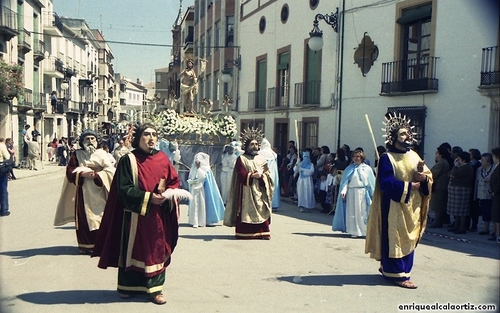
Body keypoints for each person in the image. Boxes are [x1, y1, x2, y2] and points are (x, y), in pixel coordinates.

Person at [92, 123, 184, 305]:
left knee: (156, 250)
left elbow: (174, 181)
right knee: (132, 251)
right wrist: (149, 198)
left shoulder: (163, 159)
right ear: (138, 138)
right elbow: (123, 189)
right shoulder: (129, 160)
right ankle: (127, 286)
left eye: (154, 135)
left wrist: (167, 196)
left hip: (158, 216)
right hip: (135, 215)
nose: (151, 138)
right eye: (146, 134)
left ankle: (155, 289)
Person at [365, 113, 432, 289]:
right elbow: (385, 183)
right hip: (395, 205)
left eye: (408, 133)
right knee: (395, 239)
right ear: (393, 137)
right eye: (403, 133)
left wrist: (423, 179)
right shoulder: (388, 158)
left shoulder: (415, 156)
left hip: (413, 207)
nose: (407, 136)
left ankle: (392, 268)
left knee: (409, 239)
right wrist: (410, 186)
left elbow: (428, 177)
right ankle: (398, 274)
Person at [54, 129, 115, 254]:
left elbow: (111, 171)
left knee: (102, 218)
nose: (90, 141)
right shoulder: (77, 155)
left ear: (97, 140)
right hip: (84, 192)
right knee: (85, 218)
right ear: (82, 141)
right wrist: (82, 173)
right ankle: (86, 245)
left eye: (92, 139)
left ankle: (102, 245)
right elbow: (70, 171)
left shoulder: (102, 154)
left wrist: (98, 175)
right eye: (87, 139)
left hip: (101, 190)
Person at [223, 128, 274, 239]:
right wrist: (251, 176)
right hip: (246, 190)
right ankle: (245, 232)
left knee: (262, 208)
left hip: (259, 189)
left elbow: (268, 174)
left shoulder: (261, 159)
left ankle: (262, 232)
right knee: (246, 211)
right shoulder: (242, 159)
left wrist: (262, 176)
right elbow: (240, 174)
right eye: (252, 144)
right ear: (247, 146)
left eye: (256, 144)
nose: (255, 146)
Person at [332, 149, 375, 237]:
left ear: (362, 157)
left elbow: (371, 182)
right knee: (352, 212)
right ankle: (353, 231)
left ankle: (363, 231)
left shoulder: (367, 169)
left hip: (362, 193)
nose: (356, 158)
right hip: (351, 192)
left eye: (358, 156)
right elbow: (345, 182)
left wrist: (373, 193)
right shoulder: (349, 168)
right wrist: (344, 191)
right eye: (354, 156)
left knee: (362, 212)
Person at [187, 152, 225, 227]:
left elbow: (203, 177)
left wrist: (199, 169)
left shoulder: (207, 170)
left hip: (203, 192)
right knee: (195, 204)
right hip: (195, 189)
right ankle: (195, 221)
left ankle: (205, 220)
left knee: (204, 204)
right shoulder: (193, 168)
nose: (197, 161)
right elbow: (191, 176)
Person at [446, 151, 473, 234]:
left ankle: (462, 227)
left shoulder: (467, 167)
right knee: (456, 211)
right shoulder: (461, 167)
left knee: (462, 211)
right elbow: (449, 174)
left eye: (459, 159)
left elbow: (454, 173)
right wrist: (453, 174)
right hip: (456, 190)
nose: (458, 161)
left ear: (463, 160)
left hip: (462, 190)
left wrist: (455, 167)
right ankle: (456, 226)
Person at [428, 146, 451, 228]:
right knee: (437, 205)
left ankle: (438, 222)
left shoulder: (441, 163)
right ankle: (438, 221)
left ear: (440, 154)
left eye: (437, 153)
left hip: (439, 186)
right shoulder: (443, 162)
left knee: (437, 205)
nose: (435, 154)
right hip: (440, 186)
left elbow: (435, 174)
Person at [476, 153, 495, 236]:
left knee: (493, 212)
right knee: (484, 212)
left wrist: (490, 180)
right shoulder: (479, 169)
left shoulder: (494, 169)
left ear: (488, 162)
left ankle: (494, 230)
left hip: (491, 194)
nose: (481, 162)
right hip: (481, 194)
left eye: (483, 160)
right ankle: (485, 228)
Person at [259, 138, 281, 212]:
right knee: (273, 188)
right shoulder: (273, 154)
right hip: (273, 174)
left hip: (264, 172)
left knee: (263, 188)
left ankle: (264, 204)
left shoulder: (260, 153)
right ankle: (274, 204)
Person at [489, 147, 500, 243]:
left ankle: (498, 234)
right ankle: (496, 232)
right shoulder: (496, 166)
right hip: (495, 194)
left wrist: (495, 191)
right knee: (495, 214)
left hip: (498, 194)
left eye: (493, 156)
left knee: (497, 215)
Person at [0, 138, 11, 216]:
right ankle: (4, 209)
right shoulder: (1, 145)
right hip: (1, 169)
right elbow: (7, 156)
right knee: (3, 188)